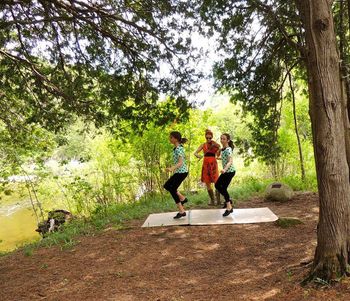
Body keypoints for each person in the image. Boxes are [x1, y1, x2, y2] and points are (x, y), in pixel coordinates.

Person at [163, 131, 189, 219]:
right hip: (179, 172)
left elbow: (181, 162)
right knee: (167, 186)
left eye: (171, 137)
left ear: (176, 139)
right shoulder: (177, 148)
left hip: (182, 172)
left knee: (172, 189)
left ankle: (181, 211)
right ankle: (183, 198)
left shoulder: (179, 149)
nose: (169, 139)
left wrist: (171, 168)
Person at [194, 129, 221, 206]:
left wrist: (218, 148)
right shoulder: (203, 145)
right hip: (206, 164)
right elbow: (195, 153)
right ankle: (212, 201)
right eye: (207, 138)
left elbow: (218, 154)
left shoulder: (215, 144)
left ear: (212, 137)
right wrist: (198, 155)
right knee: (207, 182)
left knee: (216, 182)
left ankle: (218, 201)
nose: (209, 139)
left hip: (213, 164)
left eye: (210, 138)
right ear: (205, 137)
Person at [215, 133, 236, 217]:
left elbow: (230, 161)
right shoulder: (223, 149)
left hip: (229, 172)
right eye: (221, 138)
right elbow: (225, 158)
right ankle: (228, 200)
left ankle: (229, 207)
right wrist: (218, 158)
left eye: (224, 139)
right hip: (226, 172)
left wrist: (224, 169)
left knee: (222, 187)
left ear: (228, 140)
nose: (222, 140)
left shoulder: (228, 149)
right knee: (218, 186)